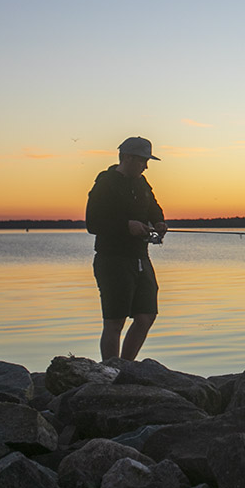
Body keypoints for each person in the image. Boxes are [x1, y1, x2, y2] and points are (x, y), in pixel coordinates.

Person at [86, 136, 168, 361]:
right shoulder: (105, 183)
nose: (146, 166)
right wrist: (126, 226)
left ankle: (126, 366)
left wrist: (159, 222)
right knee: (114, 321)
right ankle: (111, 370)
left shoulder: (142, 184)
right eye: (143, 160)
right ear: (128, 157)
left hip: (140, 257)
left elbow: (154, 208)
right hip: (112, 259)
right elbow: (92, 223)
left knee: (146, 316)